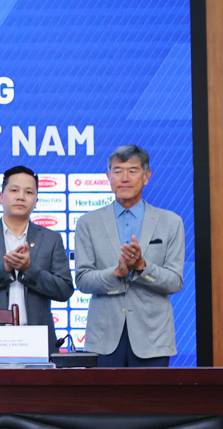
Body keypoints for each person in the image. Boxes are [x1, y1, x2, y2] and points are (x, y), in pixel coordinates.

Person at [75, 145, 185, 367]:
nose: (124, 178)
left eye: (132, 171)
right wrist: (116, 273)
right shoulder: (88, 222)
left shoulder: (171, 222)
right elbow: (83, 280)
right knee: (103, 392)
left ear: (146, 176)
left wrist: (142, 267)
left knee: (151, 393)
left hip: (153, 338)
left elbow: (175, 282)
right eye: (117, 171)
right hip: (103, 338)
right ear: (108, 177)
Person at [0, 166, 73, 352]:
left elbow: (65, 290)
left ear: (36, 201)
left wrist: (29, 270)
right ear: (1, 197)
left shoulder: (51, 239)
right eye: (14, 190)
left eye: (29, 192)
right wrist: (3, 271)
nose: (21, 197)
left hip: (38, 340)